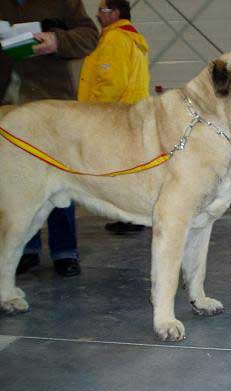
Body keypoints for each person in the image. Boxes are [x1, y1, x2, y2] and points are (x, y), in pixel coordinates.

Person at [1, 0, 99, 277]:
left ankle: (65, 250)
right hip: (9, 108)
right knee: (16, 182)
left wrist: (57, 40)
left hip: (52, 107)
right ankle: (23, 249)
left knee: (61, 178)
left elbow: (89, 36)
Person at [78, 0, 150, 235]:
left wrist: (92, 114)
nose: (98, 15)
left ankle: (130, 217)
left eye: (102, 10)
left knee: (121, 172)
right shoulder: (134, 39)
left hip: (114, 117)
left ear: (115, 13)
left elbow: (111, 82)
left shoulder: (114, 38)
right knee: (133, 169)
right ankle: (135, 217)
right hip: (133, 114)